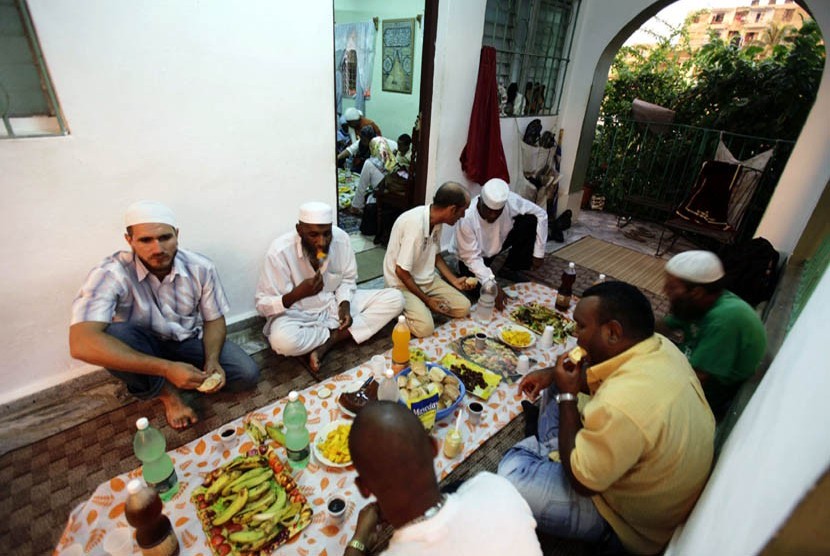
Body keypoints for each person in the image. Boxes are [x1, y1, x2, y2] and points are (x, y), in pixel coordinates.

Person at [498, 281, 715, 555]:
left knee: (511, 474)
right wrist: (554, 375)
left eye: (581, 327)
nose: (576, 336)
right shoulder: (659, 346)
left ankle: (548, 452)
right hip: (627, 467)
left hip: (621, 518)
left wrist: (567, 397)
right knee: (559, 375)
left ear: (613, 332)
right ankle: (558, 449)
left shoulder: (623, 402)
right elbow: (591, 378)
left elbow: (582, 482)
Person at [69, 201, 259, 430]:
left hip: (186, 340)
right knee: (114, 334)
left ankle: (180, 377)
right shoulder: (110, 273)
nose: (157, 249)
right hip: (142, 347)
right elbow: (80, 343)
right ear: (129, 240)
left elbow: (213, 319)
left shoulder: (200, 267)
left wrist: (212, 360)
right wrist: (166, 368)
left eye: (165, 237)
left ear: (177, 235)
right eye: (145, 240)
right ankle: (168, 395)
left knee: (246, 374)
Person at [346, 401, 543, 556]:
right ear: (433, 447)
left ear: (363, 488)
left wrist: (358, 542)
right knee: (455, 486)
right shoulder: (495, 486)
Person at [255, 202, 404, 374]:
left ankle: (331, 340)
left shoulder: (341, 240)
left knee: (395, 298)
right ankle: (339, 335)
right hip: (297, 315)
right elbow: (262, 305)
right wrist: (295, 295)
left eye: (327, 233)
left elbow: (347, 279)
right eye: (313, 235)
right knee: (282, 342)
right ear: (299, 230)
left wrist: (344, 304)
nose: (322, 242)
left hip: (332, 305)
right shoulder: (279, 252)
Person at [660, 250, 767, 419]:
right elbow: (662, 326)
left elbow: (694, 381)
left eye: (672, 287)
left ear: (697, 292)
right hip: (689, 368)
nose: (665, 291)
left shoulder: (726, 319)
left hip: (706, 398)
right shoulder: (700, 303)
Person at [383, 182, 475, 337]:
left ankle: (420, 306)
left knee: (464, 307)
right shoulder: (415, 225)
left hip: (426, 279)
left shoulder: (437, 221)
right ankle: (396, 307)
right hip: (401, 284)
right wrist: (427, 300)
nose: (463, 216)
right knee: (425, 329)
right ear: (452, 209)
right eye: (463, 211)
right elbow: (401, 271)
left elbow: (436, 255)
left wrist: (454, 280)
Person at [453, 177, 548, 310]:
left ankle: (510, 267)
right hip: (471, 258)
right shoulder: (466, 218)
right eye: (488, 210)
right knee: (483, 294)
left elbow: (541, 214)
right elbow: (471, 258)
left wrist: (539, 252)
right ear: (479, 201)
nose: (492, 216)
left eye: (497, 212)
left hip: (497, 245)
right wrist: (491, 285)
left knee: (530, 220)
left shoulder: (511, 201)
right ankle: (471, 275)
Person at [350, 135, 399, 214]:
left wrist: (355, 205)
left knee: (368, 198)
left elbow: (361, 187)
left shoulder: (369, 163)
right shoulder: (394, 160)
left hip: (380, 198)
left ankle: (357, 206)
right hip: (395, 199)